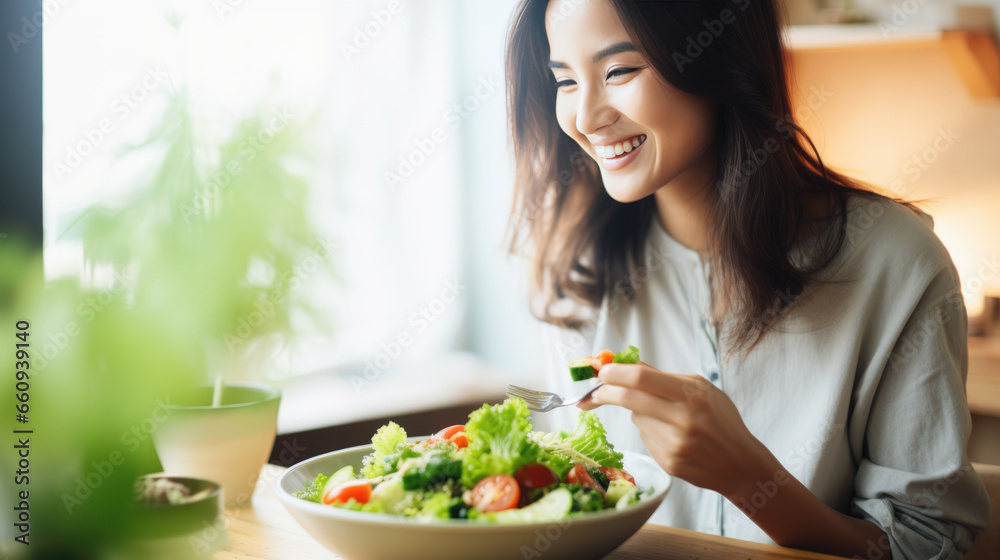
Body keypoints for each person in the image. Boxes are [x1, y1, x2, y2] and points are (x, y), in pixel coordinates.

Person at [504, 0, 991, 558]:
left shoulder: (896, 264)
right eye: (564, 80)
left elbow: (923, 545)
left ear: (719, 58)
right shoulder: (576, 270)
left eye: (619, 71)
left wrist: (749, 480)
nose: (585, 118)